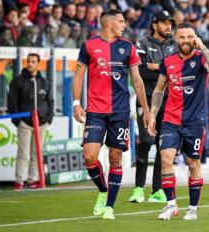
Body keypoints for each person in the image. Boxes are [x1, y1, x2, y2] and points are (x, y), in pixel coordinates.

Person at [72, 9, 150, 220]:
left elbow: (137, 81)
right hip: (96, 111)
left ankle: (109, 207)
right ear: (109, 24)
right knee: (89, 156)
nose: (124, 25)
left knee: (116, 158)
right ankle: (102, 190)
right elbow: (78, 76)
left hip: (120, 111)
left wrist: (145, 110)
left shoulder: (128, 47)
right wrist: (77, 103)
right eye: (121, 21)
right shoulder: (89, 46)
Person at [148, 22, 209, 220]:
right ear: (176, 39)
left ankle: (192, 209)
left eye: (190, 37)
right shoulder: (168, 61)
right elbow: (159, 89)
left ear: (195, 37)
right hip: (171, 120)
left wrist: (202, 45)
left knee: (193, 164)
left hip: (194, 122)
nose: (186, 40)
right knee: (165, 159)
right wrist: (153, 115)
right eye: (182, 37)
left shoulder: (201, 59)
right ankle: (171, 205)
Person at [129, 10, 177, 204]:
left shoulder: (175, 45)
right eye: (164, 23)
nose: (168, 27)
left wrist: (154, 66)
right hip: (146, 99)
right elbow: (139, 72)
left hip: (169, 100)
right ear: (154, 24)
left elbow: (177, 71)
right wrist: (163, 68)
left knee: (163, 146)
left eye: (170, 23)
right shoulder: (141, 43)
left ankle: (156, 190)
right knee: (147, 141)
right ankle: (139, 188)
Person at [8, 53, 54, 190]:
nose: (30, 64)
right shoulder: (17, 81)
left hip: (41, 123)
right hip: (25, 123)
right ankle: (19, 181)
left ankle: (32, 180)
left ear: (38, 64)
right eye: (28, 61)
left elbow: (50, 101)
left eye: (33, 61)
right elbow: (12, 102)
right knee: (23, 152)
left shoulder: (45, 82)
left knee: (36, 153)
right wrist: (17, 120)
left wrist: (49, 117)